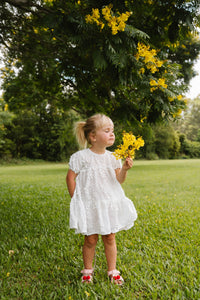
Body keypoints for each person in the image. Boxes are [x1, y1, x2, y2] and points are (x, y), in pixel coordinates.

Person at [66, 113, 137, 285]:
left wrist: (125, 170)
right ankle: (87, 271)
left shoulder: (113, 157)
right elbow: (70, 178)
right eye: (107, 130)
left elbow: (118, 179)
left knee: (109, 237)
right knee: (90, 239)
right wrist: (76, 199)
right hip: (90, 205)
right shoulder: (80, 157)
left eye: (112, 130)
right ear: (93, 136)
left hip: (108, 204)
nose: (112, 134)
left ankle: (112, 270)